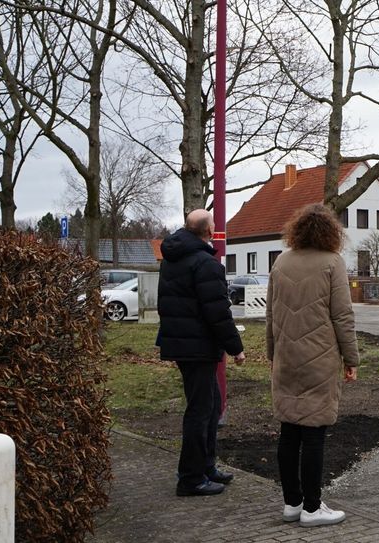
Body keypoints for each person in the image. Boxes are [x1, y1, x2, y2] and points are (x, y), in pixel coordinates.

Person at [266, 203, 359, 527]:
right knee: (314, 433)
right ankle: (313, 507)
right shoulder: (333, 263)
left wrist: (272, 353)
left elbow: (271, 314)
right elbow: (342, 316)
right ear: (331, 232)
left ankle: (292, 503)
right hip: (319, 360)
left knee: (289, 431)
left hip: (286, 358)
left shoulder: (281, 263)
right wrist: (351, 358)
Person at [158, 209, 245, 497]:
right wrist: (236, 348)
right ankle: (191, 478)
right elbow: (217, 311)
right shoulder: (204, 263)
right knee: (200, 411)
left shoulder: (173, 258)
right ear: (207, 232)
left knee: (210, 405)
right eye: (214, 224)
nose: (216, 227)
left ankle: (206, 466)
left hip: (183, 344)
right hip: (198, 347)